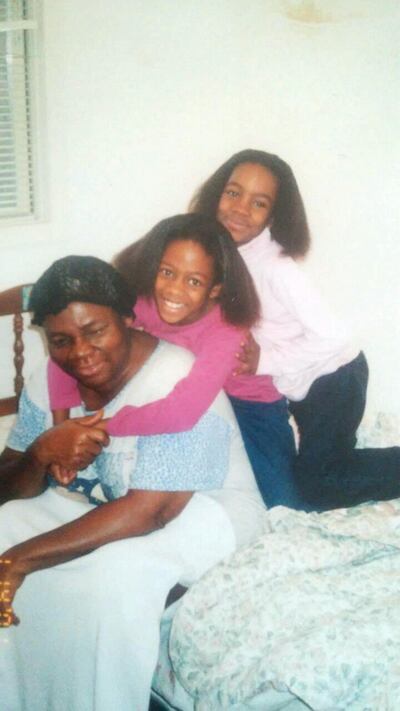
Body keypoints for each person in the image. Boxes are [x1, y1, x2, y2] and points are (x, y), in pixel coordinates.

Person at [0, 255, 265, 711]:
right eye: (62, 340)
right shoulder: (52, 381)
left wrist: (19, 561)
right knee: (5, 523)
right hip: (104, 507)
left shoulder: (174, 378)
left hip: (202, 512)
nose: (80, 352)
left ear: (128, 319)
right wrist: (43, 451)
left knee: (113, 580)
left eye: (95, 331)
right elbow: (7, 487)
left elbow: (153, 511)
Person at [190, 148, 400, 511]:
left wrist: (264, 360)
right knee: (320, 471)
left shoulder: (276, 267)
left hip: (334, 377)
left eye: (258, 203)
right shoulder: (221, 253)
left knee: (318, 485)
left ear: (273, 214)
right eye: (233, 192)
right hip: (301, 386)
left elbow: (336, 337)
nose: (240, 208)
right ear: (216, 193)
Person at [47, 214, 302, 509]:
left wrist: (101, 426)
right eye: (167, 272)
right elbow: (67, 344)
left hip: (251, 410)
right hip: (196, 401)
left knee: (283, 505)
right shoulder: (143, 304)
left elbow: (180, 414)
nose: (174, 290)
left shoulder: (227, 331)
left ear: (215, 289)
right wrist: (60, 431)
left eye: (194, 281)